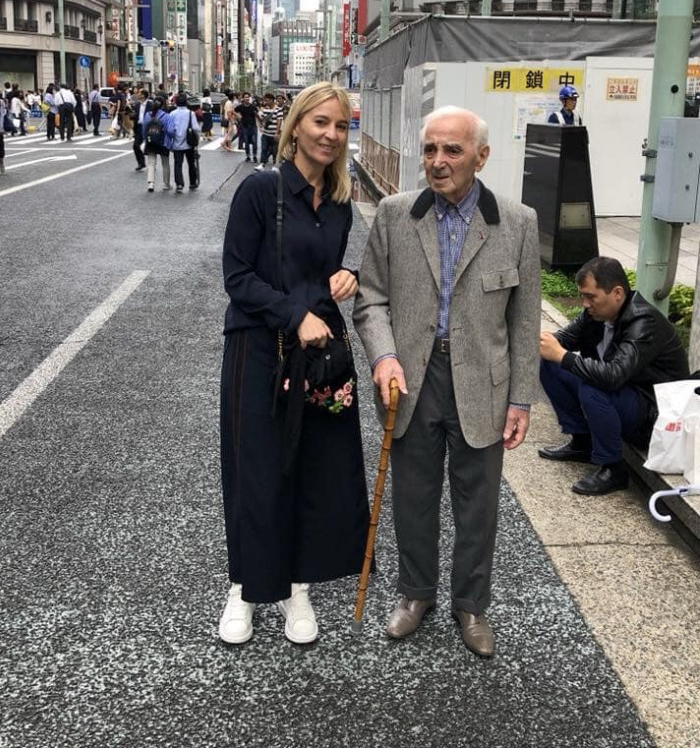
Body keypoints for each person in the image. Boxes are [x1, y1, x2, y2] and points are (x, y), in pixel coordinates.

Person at [352, 105, 540, 657]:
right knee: (413, 494)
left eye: (452, 150)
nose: (438, 161)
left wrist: (522, 399)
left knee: (477, 503)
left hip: (483, 380)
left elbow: (524, 319)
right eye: (430, 149)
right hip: (412, 375)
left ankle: (471, 603)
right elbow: (370, 298)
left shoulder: (517, 222)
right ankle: (416, 593)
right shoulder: (395, 214)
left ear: (481, 156)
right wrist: (384, 356)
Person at [218, 81, 370, 646]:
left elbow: (322, 274)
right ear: (296, 125)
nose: (330, 135)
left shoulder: (340, 203)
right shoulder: (260, 190)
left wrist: (347, 277)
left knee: (313, 468)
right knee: (256, 469)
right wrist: (293, 313)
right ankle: (244, 586)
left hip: (317, 356)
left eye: (340, 125)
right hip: (257, 350)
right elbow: (237, 278)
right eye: (320, 122)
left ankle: (297, 587)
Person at [539, 256, 688, 495]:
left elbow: (613, 376)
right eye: (583, 296)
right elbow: (562, 341)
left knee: (592, 386)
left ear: (617, 293)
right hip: (625, 394)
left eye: (591, 297)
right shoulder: (595, 314)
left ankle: (613, 468)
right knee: (549, 362)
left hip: (656, 413)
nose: (585, 303)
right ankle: (582, 442)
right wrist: (540, 342)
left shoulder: (644, 322)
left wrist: (563, 355)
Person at [165, 91, 200, 192]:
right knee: (191, 163)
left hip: (176, 143)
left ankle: (179, 184)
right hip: (189, 142)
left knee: (178, 164)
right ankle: (192, 183)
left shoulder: (172, 114)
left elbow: (169, 130)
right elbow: (196, 128)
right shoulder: (190, 113)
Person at [142, 98, 171, 192]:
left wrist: (145, 139)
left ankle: (151, 183)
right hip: (162, 141)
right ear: (163, 105)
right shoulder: (166, 116)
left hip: (151, 141)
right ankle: (166, 184)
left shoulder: (148, 114)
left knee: (151, 163)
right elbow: (169, 130)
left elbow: (144, 129)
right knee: (165, 163)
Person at [255, 92, 282, 170]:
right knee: (264, 149)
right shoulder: (265, 109)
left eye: (267, 100)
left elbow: (279, 121)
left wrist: (277, 133)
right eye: (265, 100)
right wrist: (260, 124)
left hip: (274, 134)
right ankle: (262, 164)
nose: (266, 102)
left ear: (272, 100)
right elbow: (261, 119)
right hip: (266, 133)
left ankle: (275, 165)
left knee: (274, 150)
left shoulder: (278, 110)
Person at [234, 91, 259, 162]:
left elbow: (257, 115)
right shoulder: (240, 107)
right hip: (244, 126)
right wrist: (237, 115)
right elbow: (233, 111)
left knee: (254, 141)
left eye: (248, 97)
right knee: (246, 142)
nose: (247, 98)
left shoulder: (253, 107)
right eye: (245, 97)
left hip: (253, 126)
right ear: (243, 98)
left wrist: (260, 124)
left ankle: (254, 156)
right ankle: (248, 156)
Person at [132, 89, 149, 172]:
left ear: (143, 95)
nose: (138, 94)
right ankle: (141, 163)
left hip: (148, 127)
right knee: (136, 146)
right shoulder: (137, 105)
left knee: (150, 146)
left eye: (139, 93)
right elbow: (135, 115)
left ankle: (152, 163)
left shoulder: (150, 104)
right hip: (139, 127)